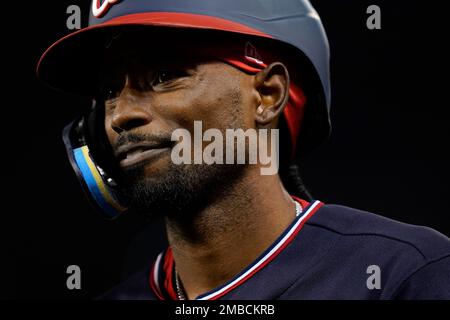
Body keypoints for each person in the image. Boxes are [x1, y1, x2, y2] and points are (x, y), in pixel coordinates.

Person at [37, 0, 450, 300]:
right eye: (110, 91)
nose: (119, 116)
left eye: (165, 75)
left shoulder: (408, 276)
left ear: (268, 95)